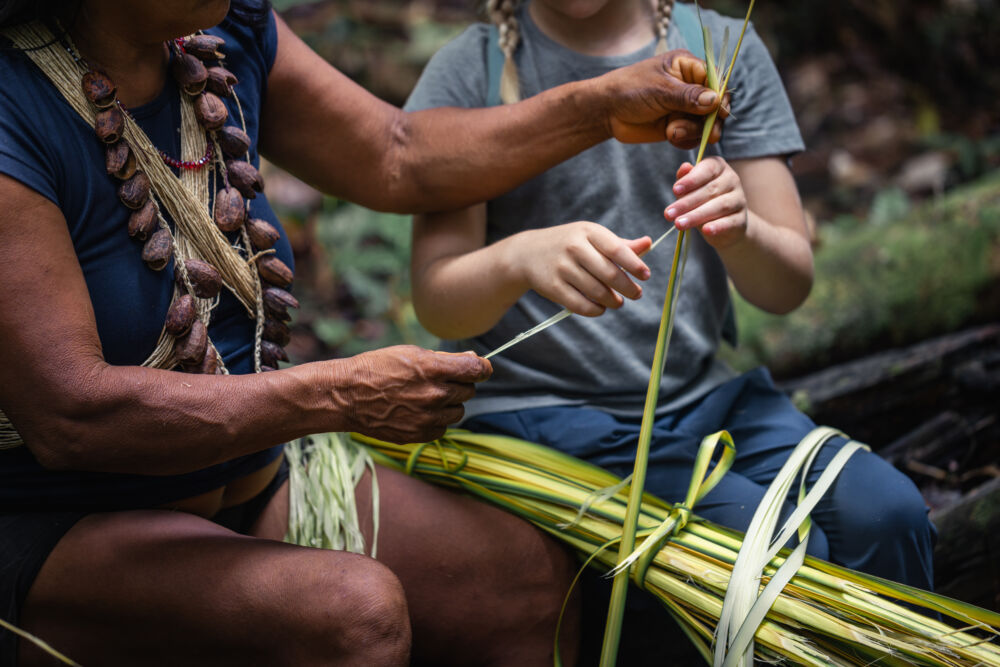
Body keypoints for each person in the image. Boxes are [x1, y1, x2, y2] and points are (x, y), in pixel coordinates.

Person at [0, 0, 728, 664]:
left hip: (248, 481)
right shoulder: (14, 102)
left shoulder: (220, 31)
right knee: (353, 616)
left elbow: (397, 152)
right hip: (59, 525)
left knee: (526, 585)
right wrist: (339, 394)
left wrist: (600, 106)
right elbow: (71, 413)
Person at [406, 0, 937, 659]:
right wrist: (520, 258)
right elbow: (437, 298)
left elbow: (787, 283)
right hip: (538, 415)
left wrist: (739, 230)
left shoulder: (717, 49)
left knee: (886, 514)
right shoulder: (472, 71)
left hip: (702, 399)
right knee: (756, 547)